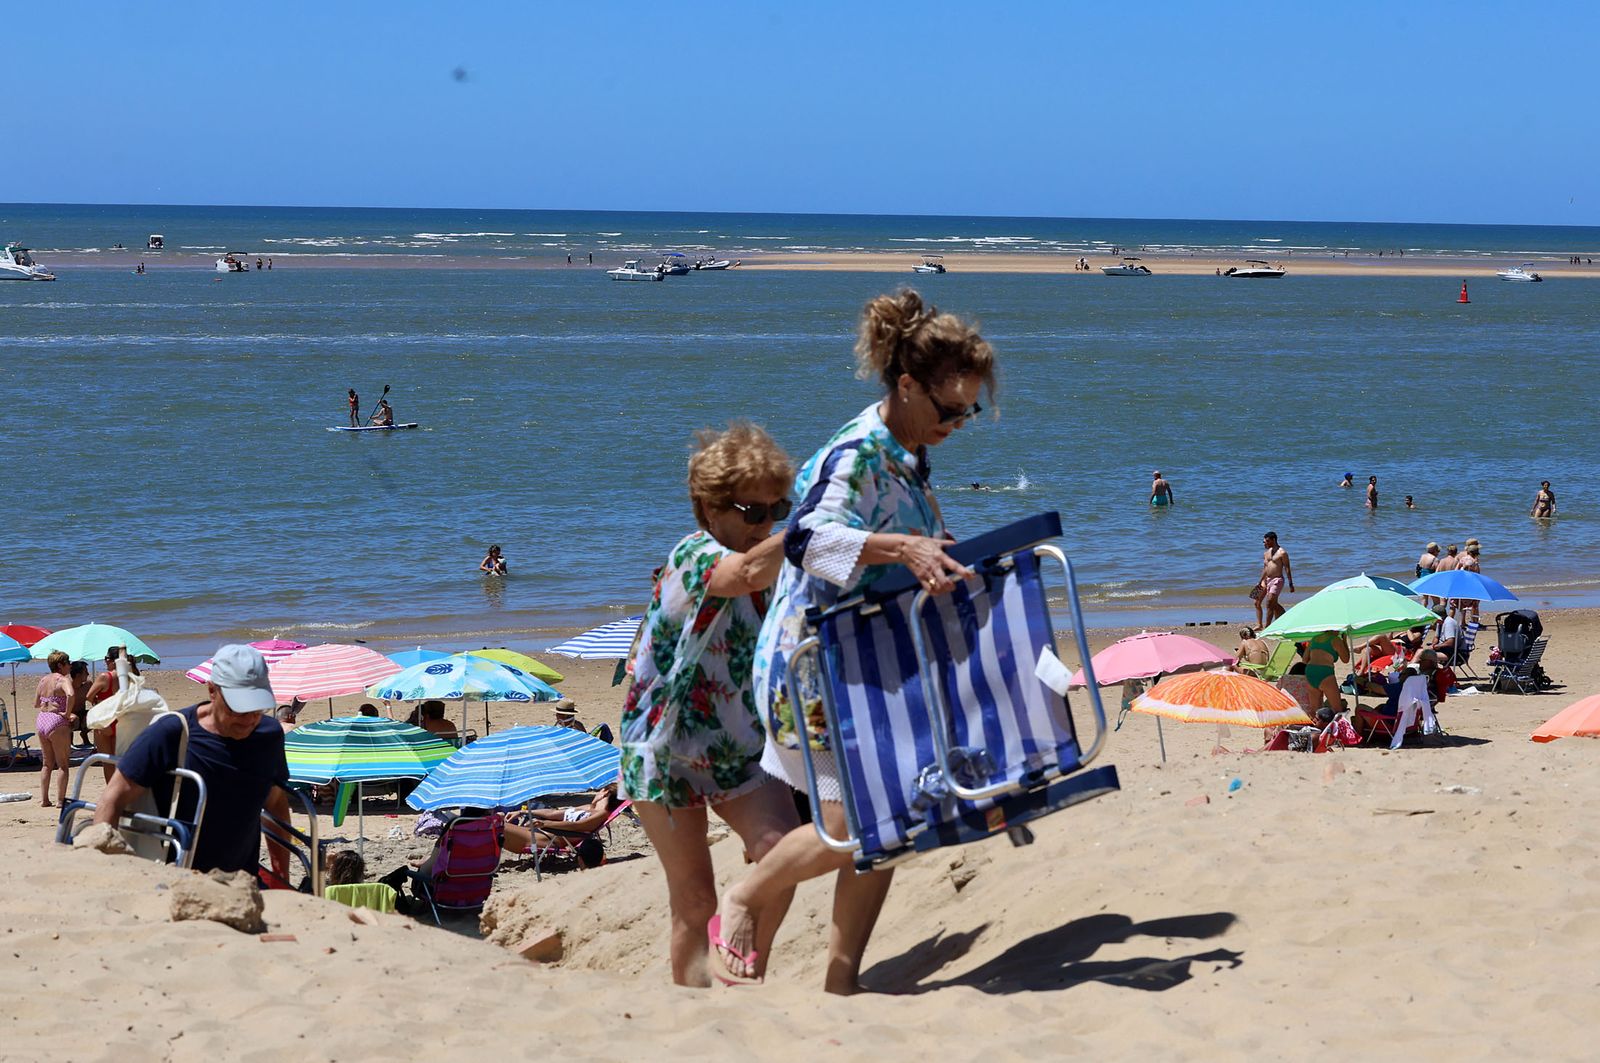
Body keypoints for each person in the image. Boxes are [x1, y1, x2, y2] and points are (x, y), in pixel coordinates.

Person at [715, 288, 991, 994]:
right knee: (855, 825)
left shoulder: (907, 456)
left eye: (968, 412)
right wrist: (903, 548)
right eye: (949, 409)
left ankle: (841, 984)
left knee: (887, 829)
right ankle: (745, 895)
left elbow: (897, 543)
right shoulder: (858, 454)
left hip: (864, 665)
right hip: (809, 664)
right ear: (908, 385)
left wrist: (941, 555)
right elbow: (805, 540)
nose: (957, 424)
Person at [619, 421, 803, 987]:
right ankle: (692, 1008)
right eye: (753, 512)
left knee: (781, 853)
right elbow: (742, 573)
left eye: (778, 510)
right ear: (709, 507)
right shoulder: (694, 555)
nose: (766, 525)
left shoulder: (773, 566)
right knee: (695, 901)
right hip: (664, 749)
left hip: (738, 746)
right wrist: (815, 530)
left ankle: (743, 979)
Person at [94, 644, 291, 877]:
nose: (249, 718)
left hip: (241, 882)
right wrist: (102, 870)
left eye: (257, 707)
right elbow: (112, 799)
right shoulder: (172, 733)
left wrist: (282, 876)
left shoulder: (268, 735)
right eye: (238, 707)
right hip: (176, 878)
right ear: (212, 690)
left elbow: (275, 802)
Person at [86, 648, 139, 781]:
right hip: (121, 720)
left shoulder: (105, 677)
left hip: (105, 720)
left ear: (114, 661)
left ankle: (111, 789)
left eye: (107, 659)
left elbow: (88, 696)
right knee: (119, 761)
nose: (105, 661)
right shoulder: (129, 676)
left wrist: (97, 702)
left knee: (107, 762)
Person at [34, 651, 77, 807]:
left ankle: (44, 799)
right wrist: (67, 713)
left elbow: (36, 703)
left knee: (47, 764)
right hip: (57, 721)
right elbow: (71, 694)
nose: (70, 665)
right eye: (68, 662)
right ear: (60, 665)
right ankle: (60, 800)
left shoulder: (43, 680)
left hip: (42, 719)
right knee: (63, 764)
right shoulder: (63, 680)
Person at [1391, 650, 1441, 749]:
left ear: (1429, 662)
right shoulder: (1433, 673)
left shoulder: (1428, 676)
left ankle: (1407, 732)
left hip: (1420, 701)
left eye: (1422, 660)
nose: (1420, 662)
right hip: (1427, 700)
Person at [1251, 531, 1294, 628]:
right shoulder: (1266, 553)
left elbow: (1287, 568)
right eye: (1264, 541)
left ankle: (1268, 627)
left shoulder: (1282, 553)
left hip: (1277, 580)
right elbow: (1265, 568)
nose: (1265, 543)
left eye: (1267, 541)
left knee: (1270, 602)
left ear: (1273, 540)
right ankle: (1262, 624)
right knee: (1258, 601)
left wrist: (1291, 584)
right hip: (1266, 579)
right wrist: (1260, 581)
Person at [1302, 630, 1350, 714]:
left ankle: (1315, 722)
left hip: (1310, 671)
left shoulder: (1314, 638)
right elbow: (1346, 659)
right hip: (1325, 671)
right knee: (1337, 709)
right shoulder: (1336, 640)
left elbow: (1304, 659)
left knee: (1314, 710)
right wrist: (1344, 641)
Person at [69, 660, 92, 746]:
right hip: (69, 714)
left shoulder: (88, 685)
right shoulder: (67, 686)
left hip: (82, 712)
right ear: (78, 675)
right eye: (85, 672)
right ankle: (69, 741)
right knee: (73, 719)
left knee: (95, 715)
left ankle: (84, 735)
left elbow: (94, 699)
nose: (88, 674)